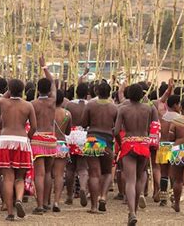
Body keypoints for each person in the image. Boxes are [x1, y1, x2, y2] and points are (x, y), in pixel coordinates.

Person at [0, 79, 37, 221]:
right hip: (21, 141)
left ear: (9, 90)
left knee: (7, 178)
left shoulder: (4, 102)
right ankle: (19, 199)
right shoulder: (28, 105)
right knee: (20, 177)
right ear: (23, 91)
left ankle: (10, 212)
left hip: (4, 140)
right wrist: (27, 138)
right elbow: (34, 127)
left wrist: (9, 91)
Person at [114, 84, 154, 226]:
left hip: (128, 145)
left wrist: (121, 143)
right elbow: (154, 127)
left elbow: (116, 130)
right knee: (138, 179)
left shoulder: (123, 109)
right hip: (143, 145)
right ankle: (135, 211)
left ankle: (131, 212)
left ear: (128, 95)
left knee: (130, 180)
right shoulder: (148, 109)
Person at [81, 82, 117, 213]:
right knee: (107, 172)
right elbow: (117, 128)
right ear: (109, 92)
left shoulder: (90, 105)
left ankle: (94, 206)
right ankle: (103, 196)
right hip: (107, 140)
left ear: (96, 92)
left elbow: (84, 123)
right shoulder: (114, 108)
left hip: (92, 139)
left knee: (94, 174)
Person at [30, 55, 57, 214]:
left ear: (38, 90)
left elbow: (32, 125)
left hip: (37, 139)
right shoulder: (53, 101)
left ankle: (40, 205)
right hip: (51, 139)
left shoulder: (33, 104)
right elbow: (53, 83)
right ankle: (46, 202)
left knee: (39, 174)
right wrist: (44, 67)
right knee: (48, 173)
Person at [64, 82, 89, 206]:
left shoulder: (69, 105)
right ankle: (83, 188)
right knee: (83, 167)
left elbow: (65, 119)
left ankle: (69, 195)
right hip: (85, 135)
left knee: (70, 168)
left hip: (70, 135)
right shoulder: (90, 105)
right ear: (87, 94)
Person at [155, 95, 181, 206]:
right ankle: (173, 197)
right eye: (179, 104)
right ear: (175, 105)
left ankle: (163, 199)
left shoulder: (162, 116)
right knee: (174, 174)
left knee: (163, 173)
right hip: (174, 147)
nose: (180, 106)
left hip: (163, 146)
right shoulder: (179, 118)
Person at [51, 89, 71, 212]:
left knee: (47, 173)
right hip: (62, 144)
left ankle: (45, 200)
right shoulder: (67, 114)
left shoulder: (48, 112)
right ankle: (57, 202)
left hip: (49, 143)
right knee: (59, 174)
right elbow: (67, 132)